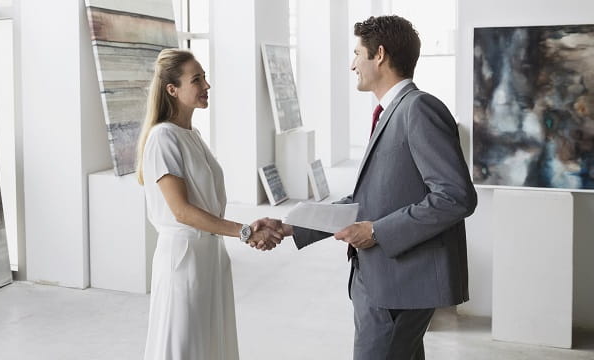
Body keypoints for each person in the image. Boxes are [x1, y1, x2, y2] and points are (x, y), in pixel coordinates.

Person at [259, 15, 477, 359]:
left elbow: (455, 197)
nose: (352, 64)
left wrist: (377, 231)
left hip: (399, 282)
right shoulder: (392, 112)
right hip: (384, 281)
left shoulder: (418, 109)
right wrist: (289, 226)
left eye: (357, 53)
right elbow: (366, 200)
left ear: (379, 54)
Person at [138, 49, 282, 360]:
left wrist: (249, 227)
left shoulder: (193, 135)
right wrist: (244, 231)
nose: (207, 85)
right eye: (197, 79)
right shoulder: (163, 138)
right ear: (172, 90)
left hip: (210, 256)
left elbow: (206, 205)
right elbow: (182, 211)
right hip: (183, 260)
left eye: (204, 77)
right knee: (183, 345)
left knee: (210, 343)